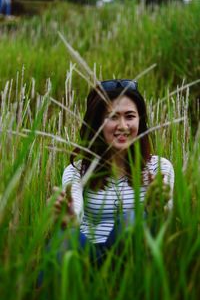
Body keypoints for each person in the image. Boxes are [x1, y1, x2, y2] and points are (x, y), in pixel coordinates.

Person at [50, 79, 174, 265]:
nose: (123, 126)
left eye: (130, 116)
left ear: (140, 120)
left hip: (134, 258)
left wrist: (153, 209)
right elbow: (76, 209)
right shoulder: (77, 171)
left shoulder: (159, 168)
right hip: (88, 255)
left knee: (131, 219)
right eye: (113, 117)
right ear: (97, 123)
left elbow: (166, 218)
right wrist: (70, 218)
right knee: (64, 238)